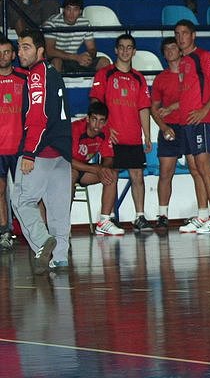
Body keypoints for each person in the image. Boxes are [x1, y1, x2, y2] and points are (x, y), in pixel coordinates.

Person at [12, 28, 71, 274]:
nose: (20, 52)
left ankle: (41, 241)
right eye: (19, 47)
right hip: (62, 155)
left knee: (21, 201)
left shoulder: (36, 75)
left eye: (26, 47)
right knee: (58, 212)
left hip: (41, 152)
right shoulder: (54, 73)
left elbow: (38, 116)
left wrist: (29, 153)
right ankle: (60, 259)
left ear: (40, 50)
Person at [89, 34, 154, 232]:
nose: (125, 51)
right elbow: (95, 104)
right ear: (116, 50)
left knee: (137, 177)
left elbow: (144, 108)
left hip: (133, 136)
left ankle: (139, 217)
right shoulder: (104, 74)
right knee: (111, 176)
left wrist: (147, 135)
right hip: (112, 137)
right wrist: (106, 129)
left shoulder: (138, 78)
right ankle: (105, 219)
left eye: (129, 48)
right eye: (122, 47)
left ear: (134, 51)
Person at [172, 20, 210, 234]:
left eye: (184, 33)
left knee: (204, 166)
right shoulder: (184, 61)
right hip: (187, 121)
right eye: (177, 34)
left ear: (193, 35)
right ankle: (203, 215)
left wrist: (204, 110)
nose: (180, 37)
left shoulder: (205, 56)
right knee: (194, 168)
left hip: (202, 120)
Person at [71, 102, 122, 235]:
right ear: (87, 119)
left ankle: (104, 222)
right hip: (65, 168)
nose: (97, 125)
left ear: (105, 122)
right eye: (94, 120)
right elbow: (68, 160)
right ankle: (62, 225)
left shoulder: (104, 132)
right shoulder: (75, 128)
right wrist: (97, 169)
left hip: (85, 170)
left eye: (101, 121)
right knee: (71, 175)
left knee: (111, 174)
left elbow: (109, 157)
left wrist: (104, 169)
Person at [150, 37, 182, 229]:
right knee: (165, 173)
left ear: (180, 50)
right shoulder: (161, 78)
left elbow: (196, 99)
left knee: (198, 170)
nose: (170, 51)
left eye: (173, 47)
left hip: (189, 125)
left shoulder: (190, 74)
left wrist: (172, 107)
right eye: (167, 49)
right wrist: (163, 127)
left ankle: (206, 213)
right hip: (169, 127)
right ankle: (163, 214)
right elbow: (154, 108)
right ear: (163, 54)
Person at [42, 0, 111, 74]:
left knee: (104, 62)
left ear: (80, 11)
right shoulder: (52, 23)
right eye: (68, 9)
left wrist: (88, 56)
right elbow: (50, 51)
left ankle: (100, 86)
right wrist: (76, 57)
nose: (71, 13)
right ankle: (57, 86)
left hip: (75, 60)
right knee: (56, 62)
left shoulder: (85, 23)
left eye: (75, 10)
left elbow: (92, 49)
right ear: (63, 10)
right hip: (57, 59)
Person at [0, 37, 26, 251]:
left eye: (7, 52)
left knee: (29, 193)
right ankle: (4, 232)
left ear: (14, 54)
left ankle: (37, 232)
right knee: (0, 191)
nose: (3, 56)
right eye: (0, 52)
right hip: (0, 148)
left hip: (21, 148)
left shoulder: (25, 78)